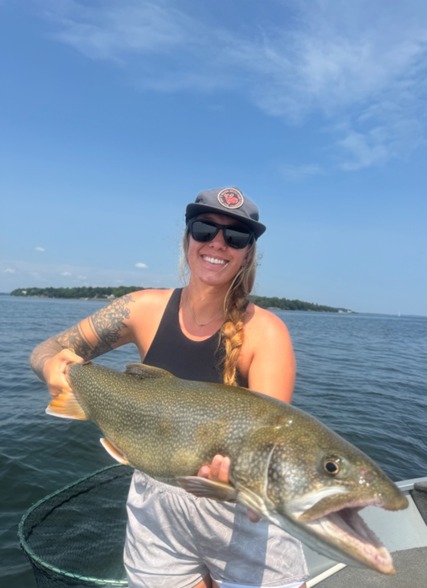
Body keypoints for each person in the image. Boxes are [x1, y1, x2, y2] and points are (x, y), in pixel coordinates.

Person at [30, 187, 308, 588]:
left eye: (236, 237)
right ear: (187, 237)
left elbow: (268, 441)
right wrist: (55, 369)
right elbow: (47, 349)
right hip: (156, 509)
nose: (217, 243)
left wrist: (250, 484)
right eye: (204, 228)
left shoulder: (266, 333)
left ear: (248, 252)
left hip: (237, 513)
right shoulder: (143, 308)